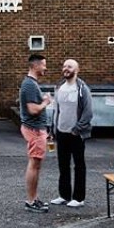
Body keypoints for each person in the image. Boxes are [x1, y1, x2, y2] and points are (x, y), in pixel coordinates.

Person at [49, 58, 93, 208]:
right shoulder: (59, 87)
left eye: (70, 66)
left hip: (76, 134)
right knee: (63, 165)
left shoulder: (82, 89)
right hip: (61, 132)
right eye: (64, 66)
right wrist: (53, 129)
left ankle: (79, 198)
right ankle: (64, 195)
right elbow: (57, 110)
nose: (66, 68)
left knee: (79, 165)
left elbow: (88, 112)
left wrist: (77, 129)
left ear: (77, 70)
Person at [19, 53, 53, 213]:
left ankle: (34, 198)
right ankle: (31, 201)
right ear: (35, 65)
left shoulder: (31, 83)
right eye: (44, 65)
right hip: (34, 130)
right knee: (34, 165)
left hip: (36, 130)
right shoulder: (29, 85)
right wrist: (46, 101)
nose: (45, 68)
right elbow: (33, 110)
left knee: (36, 165)